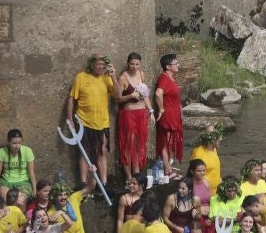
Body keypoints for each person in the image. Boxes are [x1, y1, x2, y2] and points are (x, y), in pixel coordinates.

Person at [66, 55, 114, 189]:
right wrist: (70, 119)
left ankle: (104, 182)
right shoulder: (81, 77)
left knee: (102, 152)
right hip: (84, 122)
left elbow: (117, 94)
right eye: (98, 64)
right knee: (84, 151)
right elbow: (71, 98)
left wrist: (113, 76)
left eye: (102, 64)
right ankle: (83, 182)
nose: (100, 67)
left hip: (102, 122)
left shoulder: (107, 77)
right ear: (92, 64)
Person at [115, 53, 152, 182]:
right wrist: (131, 96)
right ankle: (128, 176)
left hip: (141, 114)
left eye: (137, 64)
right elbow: (118, 99)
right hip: (129, 114)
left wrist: (151, 111)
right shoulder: (123, 78)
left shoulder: (141, 74)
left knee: (138, 144)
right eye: (132, 64)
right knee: (128, 144)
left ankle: (136, 174)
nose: (134, 67)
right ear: (127, 63)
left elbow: (145, 95)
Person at [153, 54, 186, 178]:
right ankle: (167, 170)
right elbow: (158, 93)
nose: (178, 65)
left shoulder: (171, 78)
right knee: (165, 142)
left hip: (174, 115)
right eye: (175, 63)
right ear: (168, 67)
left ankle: (168, 166)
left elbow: (175, 98)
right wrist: (161, 108)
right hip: (167, 115)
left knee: (170, 141)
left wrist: (180, 111)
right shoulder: (164, 78)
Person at [0, 128, 38, 199]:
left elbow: (31, 173)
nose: (17, 146)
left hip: (23, 181)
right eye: (14, 143)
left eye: (19, 143)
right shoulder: (2, 151)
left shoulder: (27, 151)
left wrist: (35, 189)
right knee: (7, 199)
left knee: (21, 200)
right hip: (6, 181)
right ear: (8, 142)